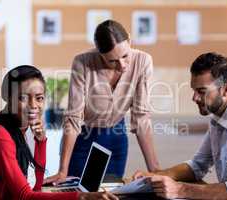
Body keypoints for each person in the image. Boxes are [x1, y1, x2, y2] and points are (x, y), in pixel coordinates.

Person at [0, 65, 118, 200]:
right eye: (23, 98)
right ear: (9, 99)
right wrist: (82, 196)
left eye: (39, 98)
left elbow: (35, 186)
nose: (33, 105)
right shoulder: (0, 135)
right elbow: (25, 196)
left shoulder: (18, 131)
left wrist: (40, 141)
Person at [44, 19, 160, 185]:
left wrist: (155, 170)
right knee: (79, 193)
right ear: (99, 52)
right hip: (85, 138)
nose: (122, 66)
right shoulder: (82, 63)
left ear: (129, 40)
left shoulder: (143, 61)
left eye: (125, 56)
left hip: (116, 137)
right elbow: (73, 118)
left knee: (110, 193)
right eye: (112, 61)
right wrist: (62, 170)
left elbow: (141, 118)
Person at [133, 52, 227, 200]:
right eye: (194, 90)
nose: (194, 98)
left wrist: (179, 189)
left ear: (226, 90)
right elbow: (198, 165)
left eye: (201, 91)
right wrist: (155, 175)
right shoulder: (217, 116)